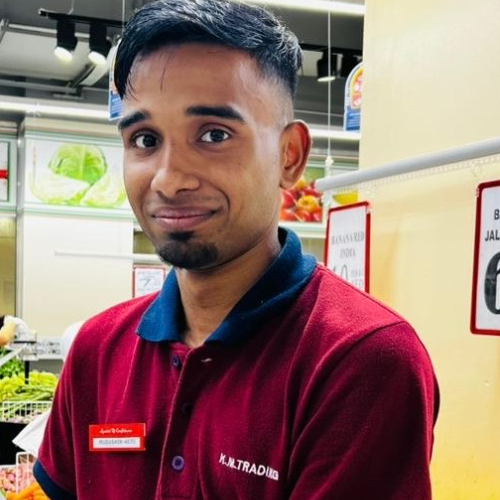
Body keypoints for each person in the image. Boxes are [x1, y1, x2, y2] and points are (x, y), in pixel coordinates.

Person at [34, 0, 440, 498]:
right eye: (145, 139)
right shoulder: (97, 351)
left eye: (214, 134)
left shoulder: (360, 359)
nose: (169, 179)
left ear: (289, 156)